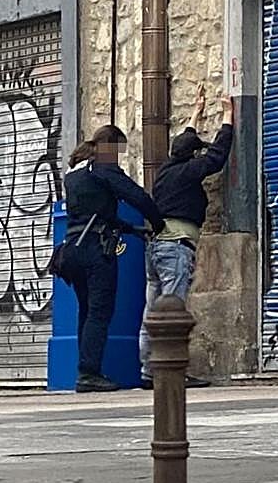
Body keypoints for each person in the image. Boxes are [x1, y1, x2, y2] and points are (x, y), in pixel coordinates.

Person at [54, 125, 165, 393]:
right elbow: (136, 196)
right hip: (95, 251)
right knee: (100, 311)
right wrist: (158, 222)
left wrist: (132, 230)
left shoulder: (74, 174)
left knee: (86, 310)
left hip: (72, 249)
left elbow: (95, 214)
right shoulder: (104, 168)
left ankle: (85, 369)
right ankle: (89, 373)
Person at [139, 88, 235, 388]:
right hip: (175, 248)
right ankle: (173, 372)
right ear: (193, 155)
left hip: (155, 248)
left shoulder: (167, 170)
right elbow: (216, 158)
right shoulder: (189, 171)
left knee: (152, 312)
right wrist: (228, 117)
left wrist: (196, 111)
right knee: (174, 313)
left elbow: (184, 141)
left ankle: (149, 370)